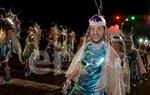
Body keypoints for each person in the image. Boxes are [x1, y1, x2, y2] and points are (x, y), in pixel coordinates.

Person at [62, 14, 125, 95]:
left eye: (99, 29)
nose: (95, 33)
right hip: (77, 91)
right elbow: (79, 65)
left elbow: (114, 83)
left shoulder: (109, 52)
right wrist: (68, 80)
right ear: (89, 30)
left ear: (104, 30)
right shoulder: (85, 47)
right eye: (92, 29)